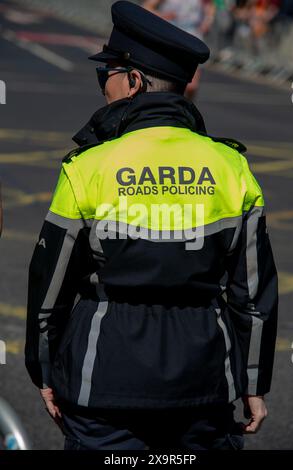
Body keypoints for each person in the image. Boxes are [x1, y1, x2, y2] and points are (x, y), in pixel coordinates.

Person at [25, 0, 278, 450]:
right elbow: (253, 295)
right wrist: (254, 382)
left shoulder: (88, 167)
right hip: (203, 385)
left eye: (107, 74)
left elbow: (49, 289)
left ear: (135, 81)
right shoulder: (231, 166)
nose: (102, 84)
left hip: (101, 383)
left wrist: (45, 371)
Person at [143, 0, 215, 100]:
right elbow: (147, 6)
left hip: (192, 37)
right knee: (167, 83)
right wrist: (162, 15)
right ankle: (166, 108)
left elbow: (209, 5)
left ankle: (187, 109)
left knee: (191, 86)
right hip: (170, 37)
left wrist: (208, 21)